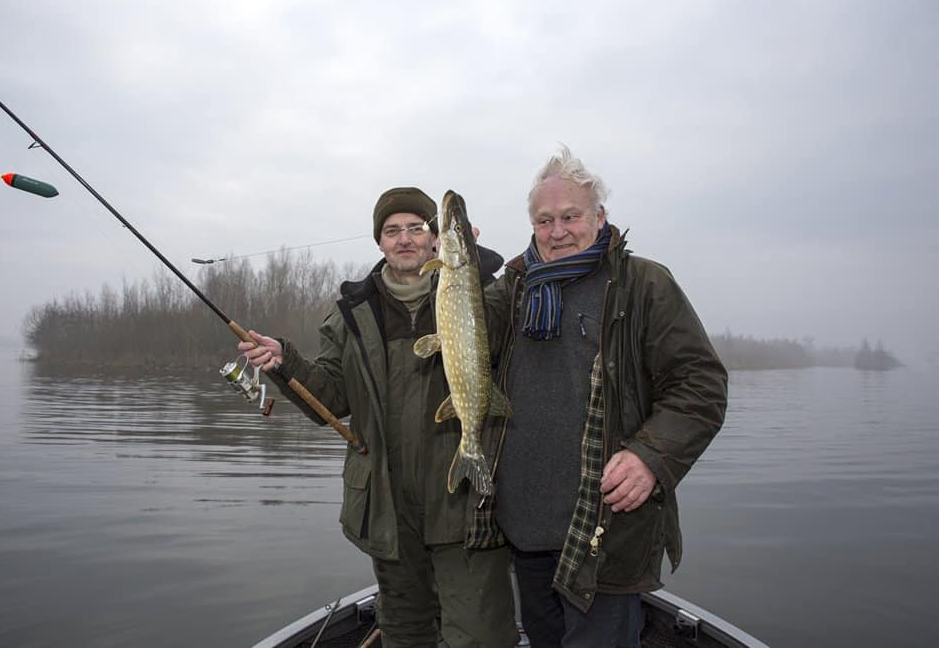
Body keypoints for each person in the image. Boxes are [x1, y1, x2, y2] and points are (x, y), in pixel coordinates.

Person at [238, 187, 518, 648]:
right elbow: (330, 397)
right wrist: (284, 363)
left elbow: (510, 305)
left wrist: (476, 259)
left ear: (435, 240)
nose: (404, 238)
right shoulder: (352, 312)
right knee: (405, 635)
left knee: (480, 635)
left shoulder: (479, 294)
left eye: (416, 228)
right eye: (392, 231)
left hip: (465, 506)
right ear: (379, 242)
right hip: (388, 509)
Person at [477, 146, 728, 647]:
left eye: (570, 216)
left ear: (599, 217)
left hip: (605, 533)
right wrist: (454, 266)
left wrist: (650, 457)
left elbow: (700, 385)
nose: (557, 231)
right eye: (544, 220)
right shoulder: (514, 290)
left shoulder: (644, 285)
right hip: (524, 529)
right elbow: (453, 337)